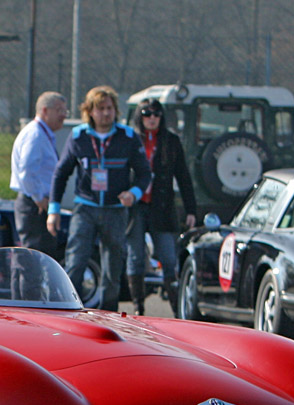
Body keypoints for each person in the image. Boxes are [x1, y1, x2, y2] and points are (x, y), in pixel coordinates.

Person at [47, 86, 151, 311]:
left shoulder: (128, 137)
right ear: (90, 111)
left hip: (115, 210)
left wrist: (133, 194)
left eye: (110, 108)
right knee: (76, 261)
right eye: (101, 109)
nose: (106, 113)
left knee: (112, 268)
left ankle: (108, 314)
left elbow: (145, 174)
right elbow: (60, 173)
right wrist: (53, 210)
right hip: (85, 208)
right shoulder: (78, 137)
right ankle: (68, 311)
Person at [126, 98, 197, 315]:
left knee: (167, 256)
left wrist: (191, 209)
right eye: (147, 114)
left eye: (156, 114)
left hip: (162, 206)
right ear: (140, 116)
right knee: (136, 257)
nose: (152, 118)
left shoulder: (170, 141)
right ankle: (138, 307)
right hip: (135, 206)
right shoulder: (130, 138)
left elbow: (183, 176)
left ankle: (177, 308)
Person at [10, 91, 68, 260]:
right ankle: (27, 288)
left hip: (39, 202)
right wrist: (38, 198)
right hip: (34, 205)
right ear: (44, 110)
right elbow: (27, 170)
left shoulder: (43, 134)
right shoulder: (35, 135)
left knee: (39, 256)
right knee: (32, 257)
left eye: (65, 111)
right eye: (59, 110)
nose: (63, 115)